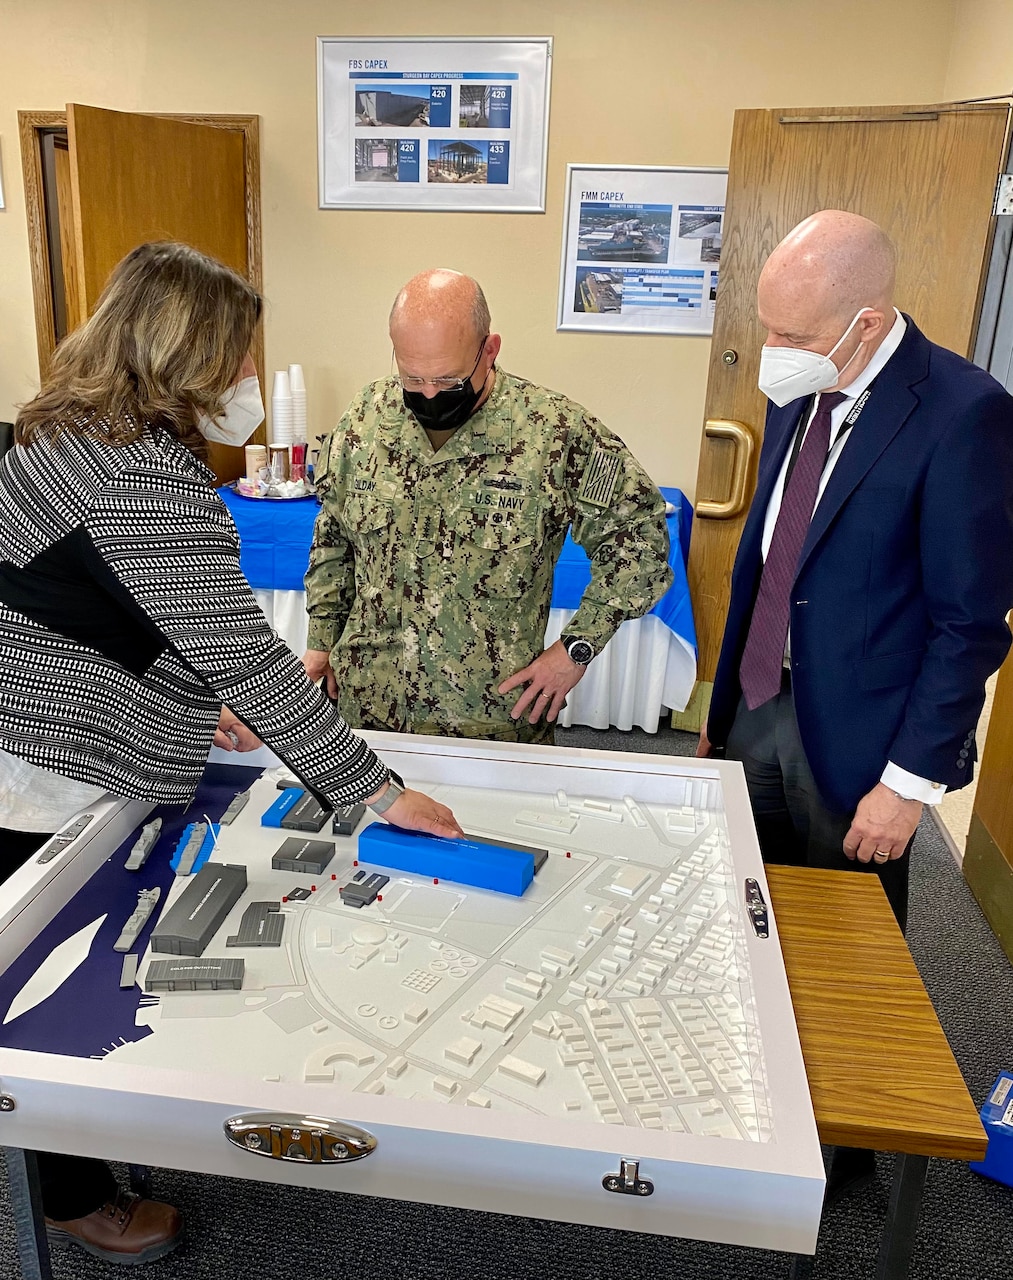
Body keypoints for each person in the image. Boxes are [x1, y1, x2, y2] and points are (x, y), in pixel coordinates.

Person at [0, 241, 463, 1264]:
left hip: (32, 716)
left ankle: (83, 1149)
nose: (248, 381)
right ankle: (73, 1197)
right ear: (188, 352)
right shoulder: (142, 473)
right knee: (37, 980)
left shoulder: (59, 427)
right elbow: (246, 656)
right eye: (239, 358)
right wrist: (371, 791)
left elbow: (104, 605)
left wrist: (187, 696)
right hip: (41, 757)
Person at [697, 210, 1013, 1197]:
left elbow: (968, 623)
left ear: (865, 323)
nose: (771, 355)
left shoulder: (962, 413)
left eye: (791, 335)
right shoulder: (806, 391)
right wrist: (717, 710)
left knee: (849, 949)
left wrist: (908, 783)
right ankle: (751, 1104)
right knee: (747, 908)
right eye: (767, 328)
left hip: (863, 743)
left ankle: (843, 1160)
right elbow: (766, 556)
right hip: (757, 700)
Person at [303, 268, 673, 742]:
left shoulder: (553, 433)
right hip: (367, 709)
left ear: (490, 349)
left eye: (448, 379)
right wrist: (320, 642)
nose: (430, 394)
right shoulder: (366, 419)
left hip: (489, 719)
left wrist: (575, 649)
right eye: (412, 377)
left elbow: (640, 537)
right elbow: (333, 536)